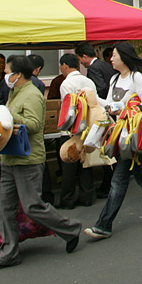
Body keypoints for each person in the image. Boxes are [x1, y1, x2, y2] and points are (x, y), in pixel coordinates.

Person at [0, 55, 82, 271]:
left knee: (32, 206)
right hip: (9, 157)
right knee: (5, 206)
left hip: (27, 158)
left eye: (7, 72)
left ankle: (70, 228)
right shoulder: (15, 92)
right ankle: (9, 252)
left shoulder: (31, 94)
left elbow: (34, 124)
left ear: (17, 74)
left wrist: (9, 116)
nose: (5, 76)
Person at [84, 42, 142, 240]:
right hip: (120, 135)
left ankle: (103, 225)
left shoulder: (137, 77)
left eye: (114, 55)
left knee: (118, 181)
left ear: (123, 57)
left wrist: (127, 110)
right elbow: (109, 105)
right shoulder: (115, 78)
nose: (111, 58)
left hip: (131, 135)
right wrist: (93, 98)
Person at [56, 53, 99, 209]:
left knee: (68, 164)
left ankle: (67, 199)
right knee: (85, 163)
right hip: (87, 128)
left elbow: (69, 110)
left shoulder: (66, 84)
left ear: (65, 66)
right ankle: (86, 196)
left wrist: (63, 127)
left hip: (71, 130)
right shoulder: (88, 81)